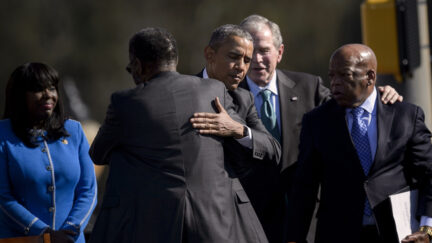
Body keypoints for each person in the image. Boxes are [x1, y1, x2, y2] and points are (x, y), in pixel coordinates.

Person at [89, 27, 268, 243]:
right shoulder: (214, 91)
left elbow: (98, 154)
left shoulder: (126, 102)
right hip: (214, 222)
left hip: (153, 224)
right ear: (175, 59)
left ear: (138, 64)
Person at [235, 14, 403, 243]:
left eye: (264, 50)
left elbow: (351, 101)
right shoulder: (227, 95)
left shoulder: (308, 87)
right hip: (249, 218)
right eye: (250, 52)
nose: (256, 59)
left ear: (280, 52)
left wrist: (378, 94)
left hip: (305, 219)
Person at [286, 43, 432, 243]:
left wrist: (427, 227)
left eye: (344, 75)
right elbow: (305, 186)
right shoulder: (317, 121)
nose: (335, 83)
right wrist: (294, 238)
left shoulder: (405, 116)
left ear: (370, 77)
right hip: (338, 233)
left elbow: (429, 174)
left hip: (398, 233)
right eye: (332, 76)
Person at [190, 23, 284, 242]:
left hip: (233, 217)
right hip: (190, 214)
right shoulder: (184, 92)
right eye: (234, 57)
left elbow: (273, 149)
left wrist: (237, 130)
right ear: (209, 54)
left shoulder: (244, 99)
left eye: (247, 60)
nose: (242, 67)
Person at [0, 62, 97, 243]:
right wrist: (44, 233)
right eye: (38, 89)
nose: (48, 95)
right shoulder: (2, 135)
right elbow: (3, 197)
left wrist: (70, 230)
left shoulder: (74, 131)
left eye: (52, 88)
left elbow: (88, 190)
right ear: (20, 96)